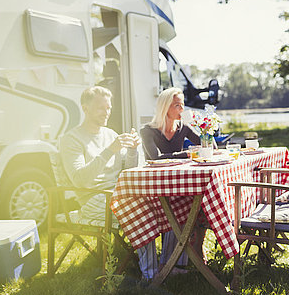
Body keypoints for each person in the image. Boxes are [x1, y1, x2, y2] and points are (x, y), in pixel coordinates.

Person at [139, 87, 207, 277]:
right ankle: (171, 263)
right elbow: (155, 158)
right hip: (153, 187)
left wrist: (206, 131)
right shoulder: (148, 131)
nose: (181, 110)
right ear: (165, 107)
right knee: (178, 206)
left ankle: (179, 260)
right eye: (178, 105)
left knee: (197, 202)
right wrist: (186, 154)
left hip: (177, 185)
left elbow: (204, 143)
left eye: (182, 105)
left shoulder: (182, 128)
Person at [59, 86, 139, 224]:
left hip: (117, 195)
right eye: (100, 108)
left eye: (108, 108)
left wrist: (133, 150)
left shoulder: (111, 134)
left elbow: (127, 172)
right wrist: (110, 150)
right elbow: (79, 180)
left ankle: (168, 247)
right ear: (85, 109)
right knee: (141, 214)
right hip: (93, 200)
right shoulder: (71, 139)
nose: (106, 112)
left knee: (162, 207)